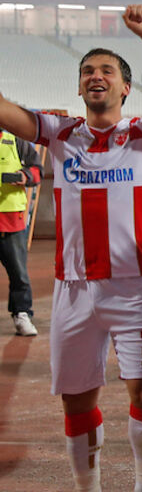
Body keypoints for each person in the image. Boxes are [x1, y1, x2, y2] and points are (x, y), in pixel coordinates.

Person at [0, 5, 142, 492]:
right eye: (87, 70)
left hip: (134, 289)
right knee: (76, 401)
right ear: (79, 86)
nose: (96, 76)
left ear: (125, 87)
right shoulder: (59, 133)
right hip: (73, 291)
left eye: (107, 70)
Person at [0, 125, 40, 336]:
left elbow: (37, 170)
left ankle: (22, 314)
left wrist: (25, 176)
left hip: (10, 221)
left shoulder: (16, 141)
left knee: (19, 274)